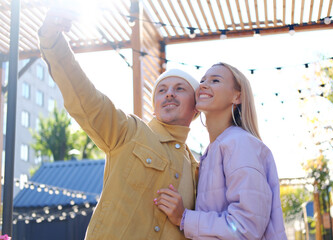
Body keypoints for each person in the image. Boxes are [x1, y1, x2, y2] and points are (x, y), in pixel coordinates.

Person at [38, 10, 199, 239]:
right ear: (153, 107)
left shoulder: (198, 172)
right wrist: (52, 39)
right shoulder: (129, 131)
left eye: (180, 89)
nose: (169, 94)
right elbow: (84, 97)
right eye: (161, 91)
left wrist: (184, 216)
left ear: (195, 107)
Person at [155, 62, 287, 239]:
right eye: (202, 80)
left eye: (215, 80)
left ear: (237, 97)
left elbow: (244, 227)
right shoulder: (210, 153)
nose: (203, 85)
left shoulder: (240, 143)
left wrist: (183, 218)